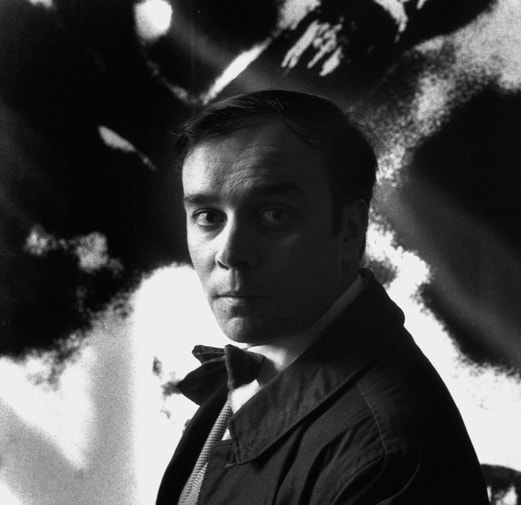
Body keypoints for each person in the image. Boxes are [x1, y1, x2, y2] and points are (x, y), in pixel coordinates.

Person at [156, 89, 489, 505]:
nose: (230, 252)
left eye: (274, 214)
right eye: (208, 216)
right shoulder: (259, 368)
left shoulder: (385, 458)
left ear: (350, 231)